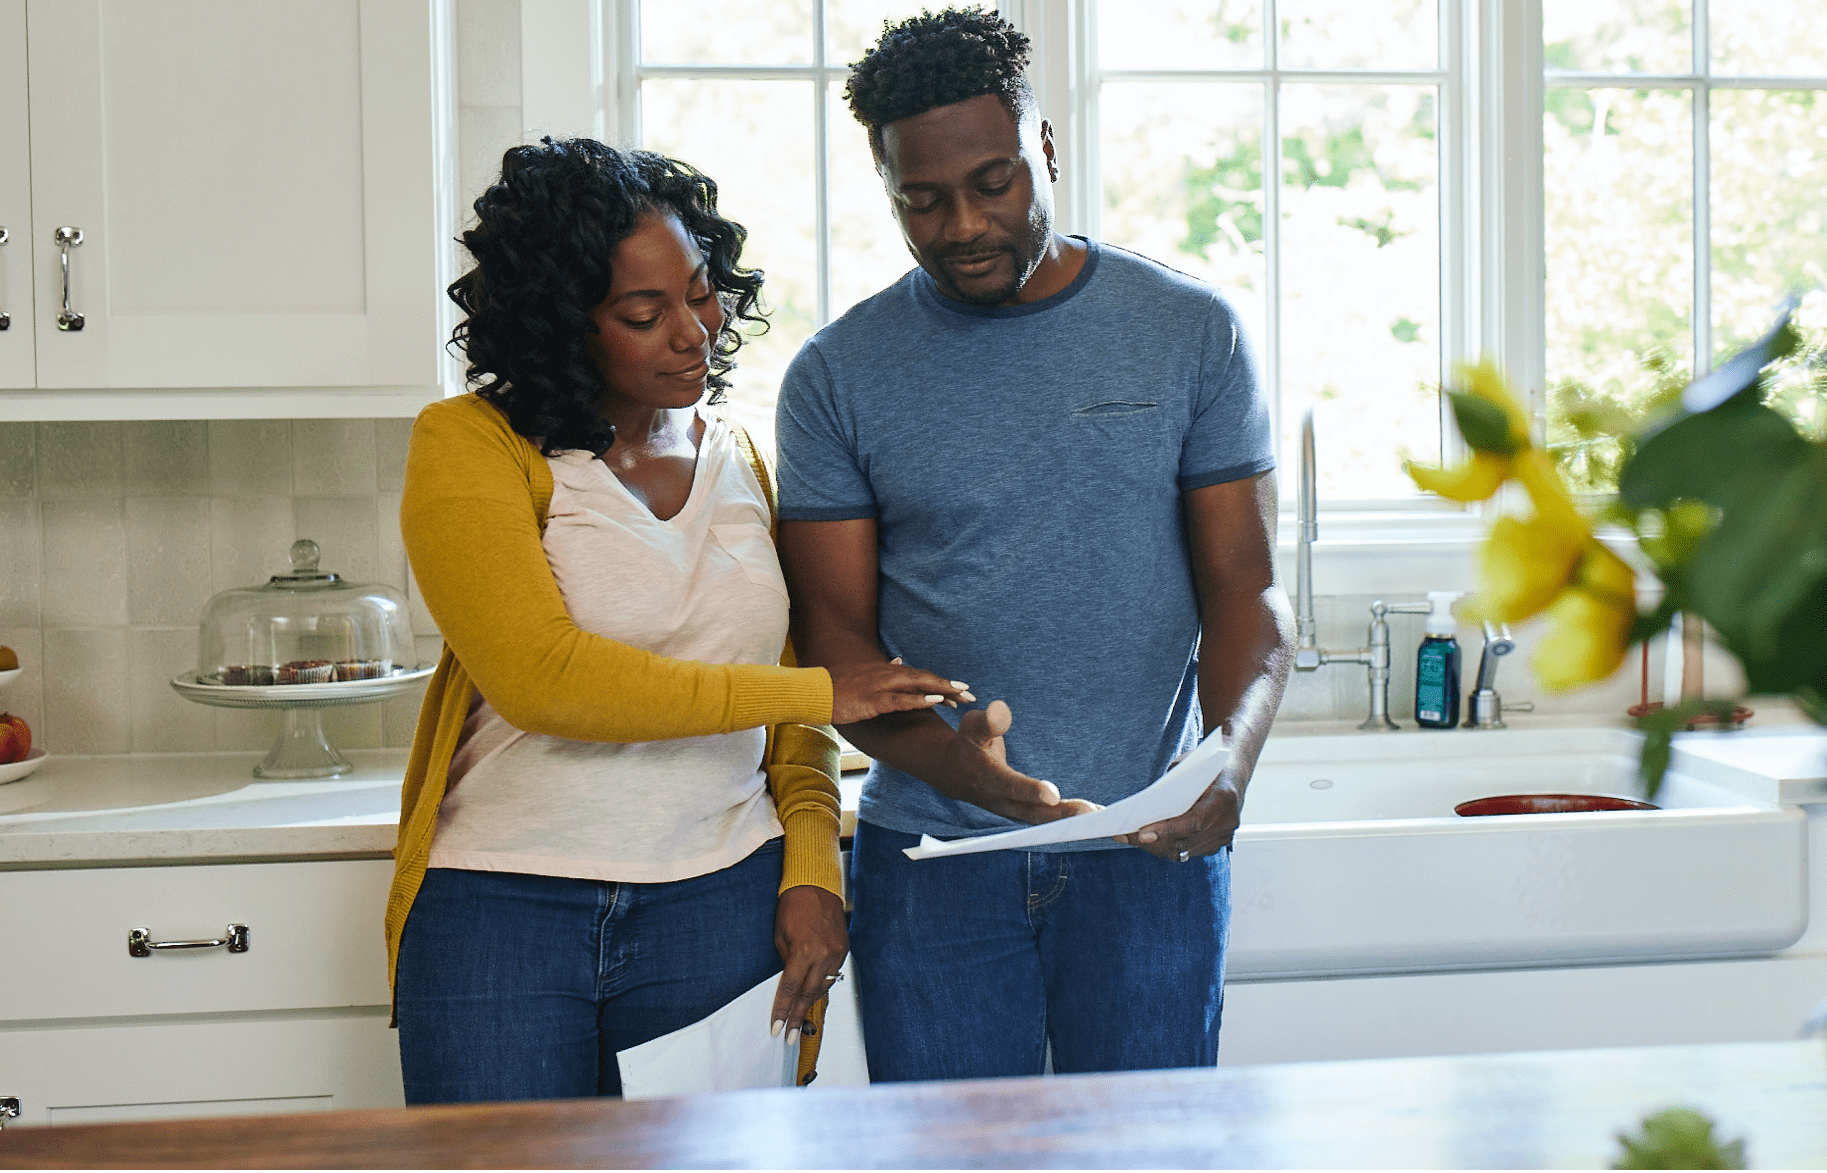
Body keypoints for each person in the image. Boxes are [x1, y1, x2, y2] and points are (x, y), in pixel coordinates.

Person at [385, 137, 970, 1103]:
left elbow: (791, 727)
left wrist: (814, 869)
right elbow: (544, 679)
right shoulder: (470, 444)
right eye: (643, 313)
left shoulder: (742, 454)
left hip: (720, 895)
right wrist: (826, 687)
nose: (694, 331)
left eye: (699, 291)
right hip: (501, 901)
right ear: (561, 327)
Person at [775, 9, 1294, 1082]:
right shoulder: (837, 375)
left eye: (994, 182)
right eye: (923, 199)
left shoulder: (1188, 330)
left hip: (1147, 851)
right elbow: (835, 642)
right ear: (888, 188)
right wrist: (966, 773)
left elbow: (1247, 589)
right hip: (932, 866)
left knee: (1153, 1160)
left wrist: (1227, 766)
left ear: (1045, 150)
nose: (963, 223)